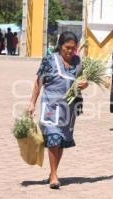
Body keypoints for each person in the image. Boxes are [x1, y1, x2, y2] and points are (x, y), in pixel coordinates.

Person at [27, 31, 88, 189]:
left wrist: (84, 84)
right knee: (53, 137)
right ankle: (54, 176)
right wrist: (32, 102)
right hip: (51, 106)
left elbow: (83, 79)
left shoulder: (77, 62)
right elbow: (38, 82)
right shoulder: (49, 60)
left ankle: (53, 172)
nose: (70, 51)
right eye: (67, 47)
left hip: (69, 107)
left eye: (73, 48)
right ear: (60, 46)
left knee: (60, 141)